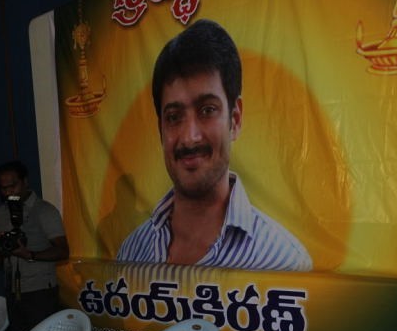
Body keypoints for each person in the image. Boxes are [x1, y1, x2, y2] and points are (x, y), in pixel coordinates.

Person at [116, 19, 312, 270]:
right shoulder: (131, 253)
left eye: (207, 110)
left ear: (235, 119)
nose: (189, 137)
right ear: (160, 130)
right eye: (174, 117)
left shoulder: (285, 263)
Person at [0, 160, 68, 331]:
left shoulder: (44, 210)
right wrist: (1, 248)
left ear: (25, 182)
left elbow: (63, 251)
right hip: (12, 292)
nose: (9, 192)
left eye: (13, 186)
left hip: (40, 292)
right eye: (3, 188)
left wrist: (29, 254)